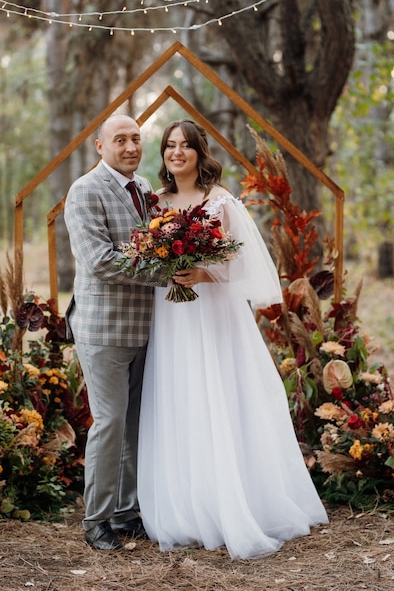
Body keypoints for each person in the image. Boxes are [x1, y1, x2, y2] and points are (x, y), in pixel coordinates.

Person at [137, 119, 328, 560]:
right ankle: (186, 506)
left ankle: (237, 502)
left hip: (214, 312)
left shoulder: (219, 201)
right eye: (169, 146)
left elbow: (244, 265)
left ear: (201, 153)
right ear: (163, 154)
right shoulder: (155, 203)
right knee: (180, 394)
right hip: (172, 313)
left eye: (186, 146)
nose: (177, 153)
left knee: (219, 394)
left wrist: (203, 271)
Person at [64, 114, 162, 550]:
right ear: (99, 147)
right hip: (103, 328)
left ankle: (126, 511)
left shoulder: (144, 191)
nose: (130, 147)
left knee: (135, 424)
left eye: (136, 139)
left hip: (145, 329)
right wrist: (168, 272)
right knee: (109, 422)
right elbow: (100, 260)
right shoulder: (85, 191)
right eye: (119, 139)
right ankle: (96, 521)